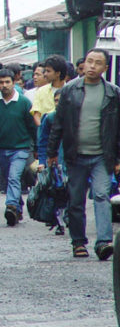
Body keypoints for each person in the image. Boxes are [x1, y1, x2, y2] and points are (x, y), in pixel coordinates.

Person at [47, 48, 120, 260]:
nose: (91, 66)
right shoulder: (70, 90)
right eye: (89, 61)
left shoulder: (113, 93)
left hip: (101, 156)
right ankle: (78, 242)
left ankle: (104, 242)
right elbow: (58, 124)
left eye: (97, 63)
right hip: (75, 155)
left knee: (101, 195)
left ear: (105, 68)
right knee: (76, 200)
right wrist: (52, 153)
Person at [0, 69, 37, 226]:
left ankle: (10, 205)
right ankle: (17, 208)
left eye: (7, 82)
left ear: (14, 83)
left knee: (13, 177)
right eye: (1, 83)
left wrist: (38, 148)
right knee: (10, 178)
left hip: (21, 149)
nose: (4, 86)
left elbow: (33, 127)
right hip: (1, 150)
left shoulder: (24, 103)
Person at [36, 89, 65, 235]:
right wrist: (42, 161)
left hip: (72, 162)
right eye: (56, 100)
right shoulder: (49, 118)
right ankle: (60, 222)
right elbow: (43, 142)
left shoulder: (77, 118)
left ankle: (68, 218)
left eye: (61, 100)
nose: (58, 103)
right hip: (55, 163)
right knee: (57, 192)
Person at [31, 54, 67, 127]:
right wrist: (43, 129)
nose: (45, 74)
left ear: (58, 73)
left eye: (48, 71)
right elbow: (36, 114)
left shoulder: (70, 90)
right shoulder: (41, 91)